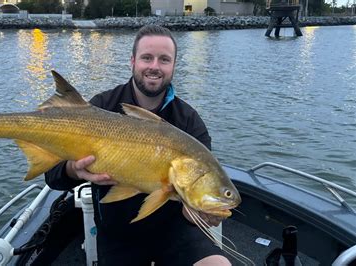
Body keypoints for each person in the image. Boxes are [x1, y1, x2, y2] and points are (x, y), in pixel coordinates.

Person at [45, 25, 231, 266]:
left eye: (164, 59)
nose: (154, 66)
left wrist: (200, 213)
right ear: (132, 61)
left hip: (174, 230)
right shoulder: (101, 106)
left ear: (174, 65)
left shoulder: (188, 121)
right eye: (147, 58)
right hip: (117, 234)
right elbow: (53, 177)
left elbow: (193, 204)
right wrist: (73, 169)